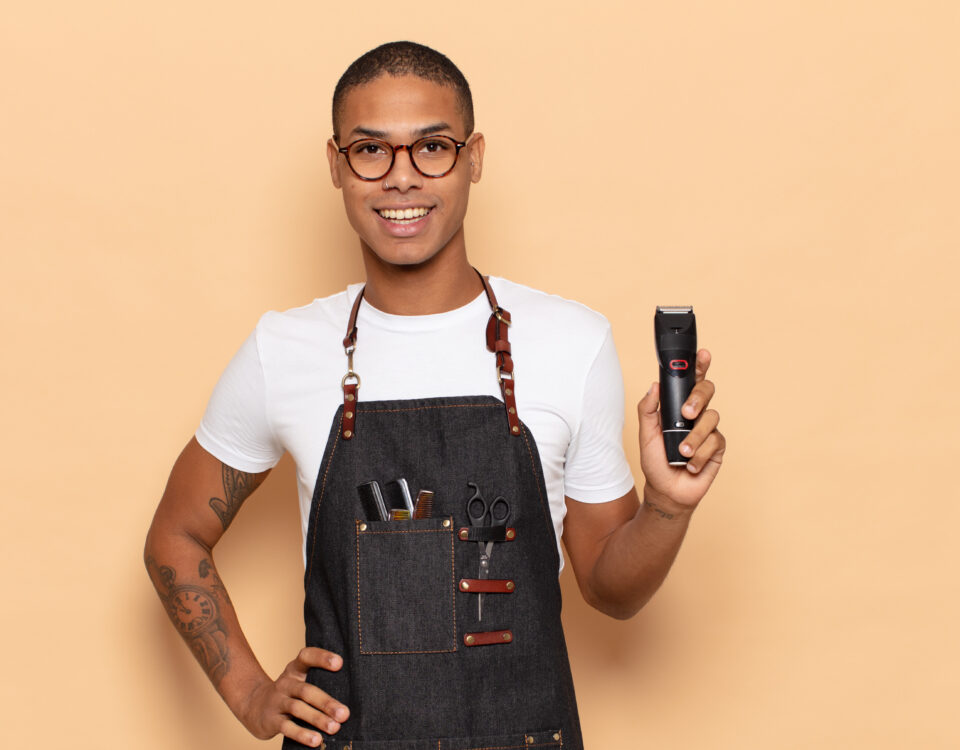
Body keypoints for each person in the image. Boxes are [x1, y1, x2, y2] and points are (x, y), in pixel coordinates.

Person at [145, 41, 725, 749]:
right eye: (370, 151)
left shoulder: (572, 342)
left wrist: (666, 508)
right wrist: (250, 694)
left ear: (474, 158)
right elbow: (175, 537)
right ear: (336, 165)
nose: (401, 178)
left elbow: (612, 589)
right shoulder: (284, 350)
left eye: (433, 148)